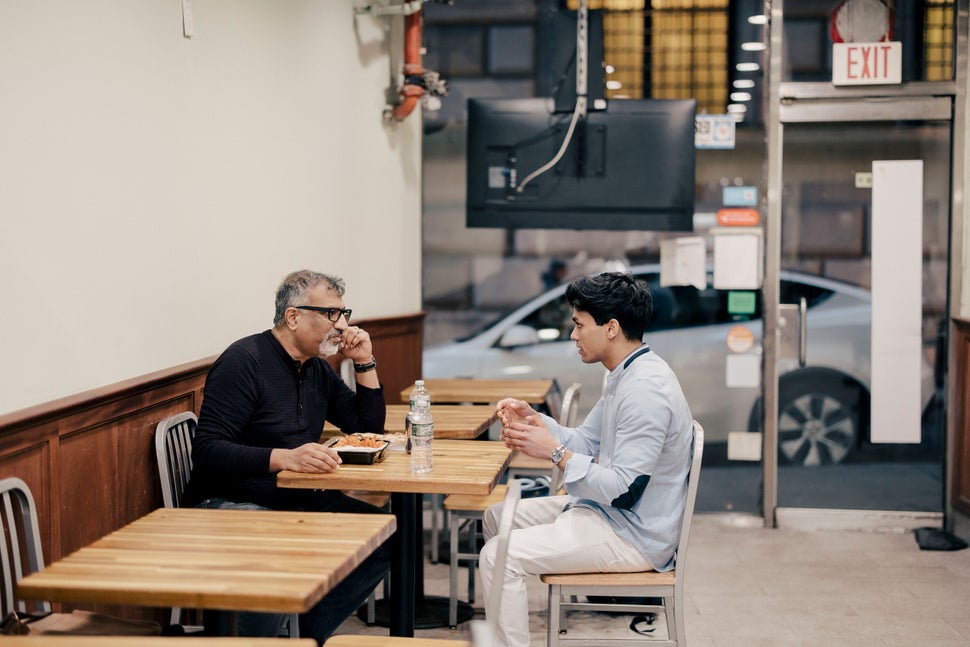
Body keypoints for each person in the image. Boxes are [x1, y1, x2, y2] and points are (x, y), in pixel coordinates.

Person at [479, 271, 694, 647]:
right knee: (497, 516)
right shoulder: (624, 373)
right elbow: (586, 440)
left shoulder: (645, 389)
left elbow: (624, 490)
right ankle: (509, 631)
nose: (573, 335)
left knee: (499, 557)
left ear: (611, 328)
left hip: (633, 534)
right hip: (608, 513)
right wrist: (536, 419)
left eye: (579, 325)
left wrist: (556, 454)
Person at [183, 269, 390, 644]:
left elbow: (367, 428)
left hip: (297, 499)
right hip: (232, 501)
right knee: (273, 544)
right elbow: (208, 449)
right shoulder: (244, 360)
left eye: (343, 314)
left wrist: (364, 362)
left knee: (387, 537)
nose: (342, 326)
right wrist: (285, 458)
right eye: (332, 314)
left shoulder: (314, 368)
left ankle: (298, 636)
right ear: (293, 316)